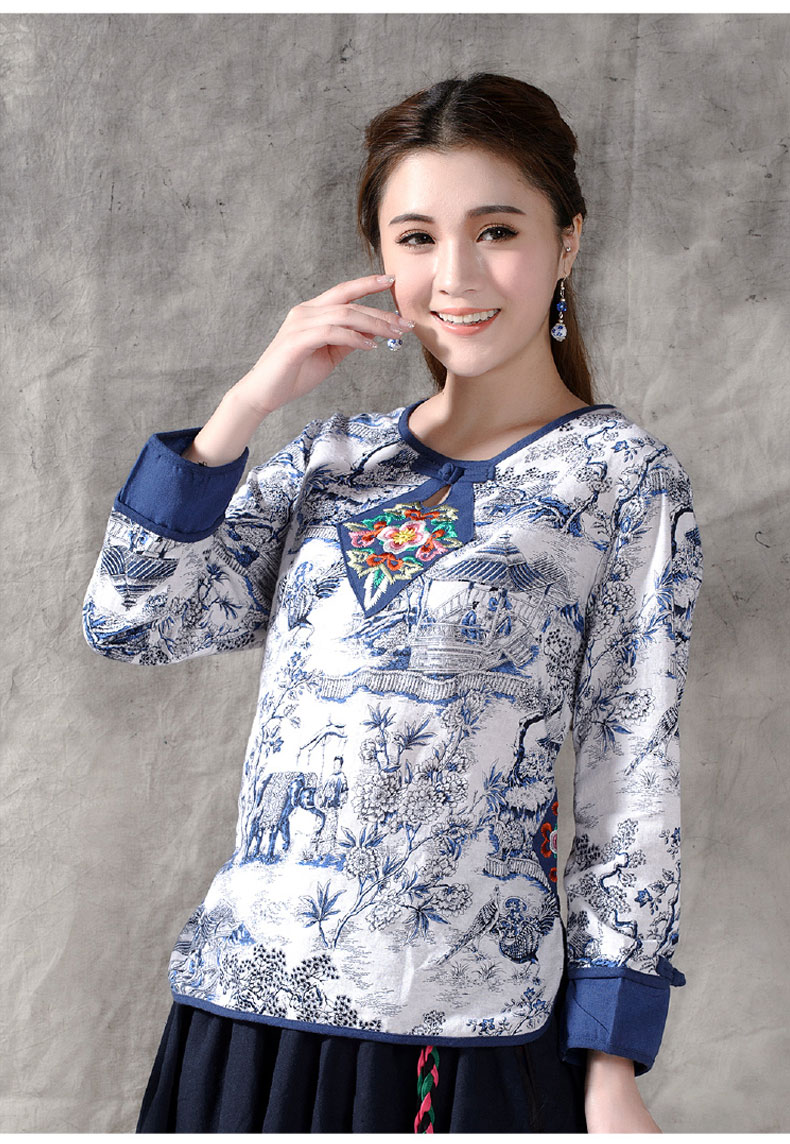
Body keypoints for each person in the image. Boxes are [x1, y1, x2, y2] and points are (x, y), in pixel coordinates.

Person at [82, 72, 705, 1133]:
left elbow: (631, 771)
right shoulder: (329, 459)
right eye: (416, 238)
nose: (454, 275)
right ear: (381, 255)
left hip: (462, 1028)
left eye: (496, 230)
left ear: (567, 241)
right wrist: (246, 406)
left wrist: (611, 1056)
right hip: (243, 1012)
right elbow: (132, 622)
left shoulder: (618, 477)